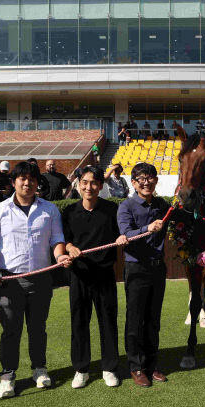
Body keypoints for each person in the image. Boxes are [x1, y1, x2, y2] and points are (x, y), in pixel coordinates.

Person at [0, 161, 71, 399]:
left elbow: (56, 239)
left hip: (41, 278)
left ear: (37, 182)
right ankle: (8, 375)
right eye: (22, 178)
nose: (27, 183)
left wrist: (60, 256)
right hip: (9, 280)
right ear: (13, 182)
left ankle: (39, 369)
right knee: (11, 329)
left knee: (38, 328)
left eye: (31, 179)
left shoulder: (50, 209)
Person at [62, 166, 128, 389]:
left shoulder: (111, 209)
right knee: (79, 322)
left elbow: (122, 232)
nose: (89, 187)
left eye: (94, 183)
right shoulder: (69, 212)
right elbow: (65, 240)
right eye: (85, 182)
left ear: (100, 186)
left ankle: (109, 368)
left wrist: (121, 238)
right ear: (79, 184)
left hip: (104, 275)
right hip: (79, 275)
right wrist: (70, 248)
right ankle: (81, 369)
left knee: (108, 322)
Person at [117, 163, 170, 388]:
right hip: (136, 268)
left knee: (153, 319)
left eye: (150, 178)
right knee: (135, 319)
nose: (146, 182)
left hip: (158, 268)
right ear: (133, 183)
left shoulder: (162, 205)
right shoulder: (126, 206)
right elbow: (126, 233)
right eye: (141, 178)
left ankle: (151, 365)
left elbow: (181, 219)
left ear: (156, 181)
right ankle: (136, 367)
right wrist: (147, 229)